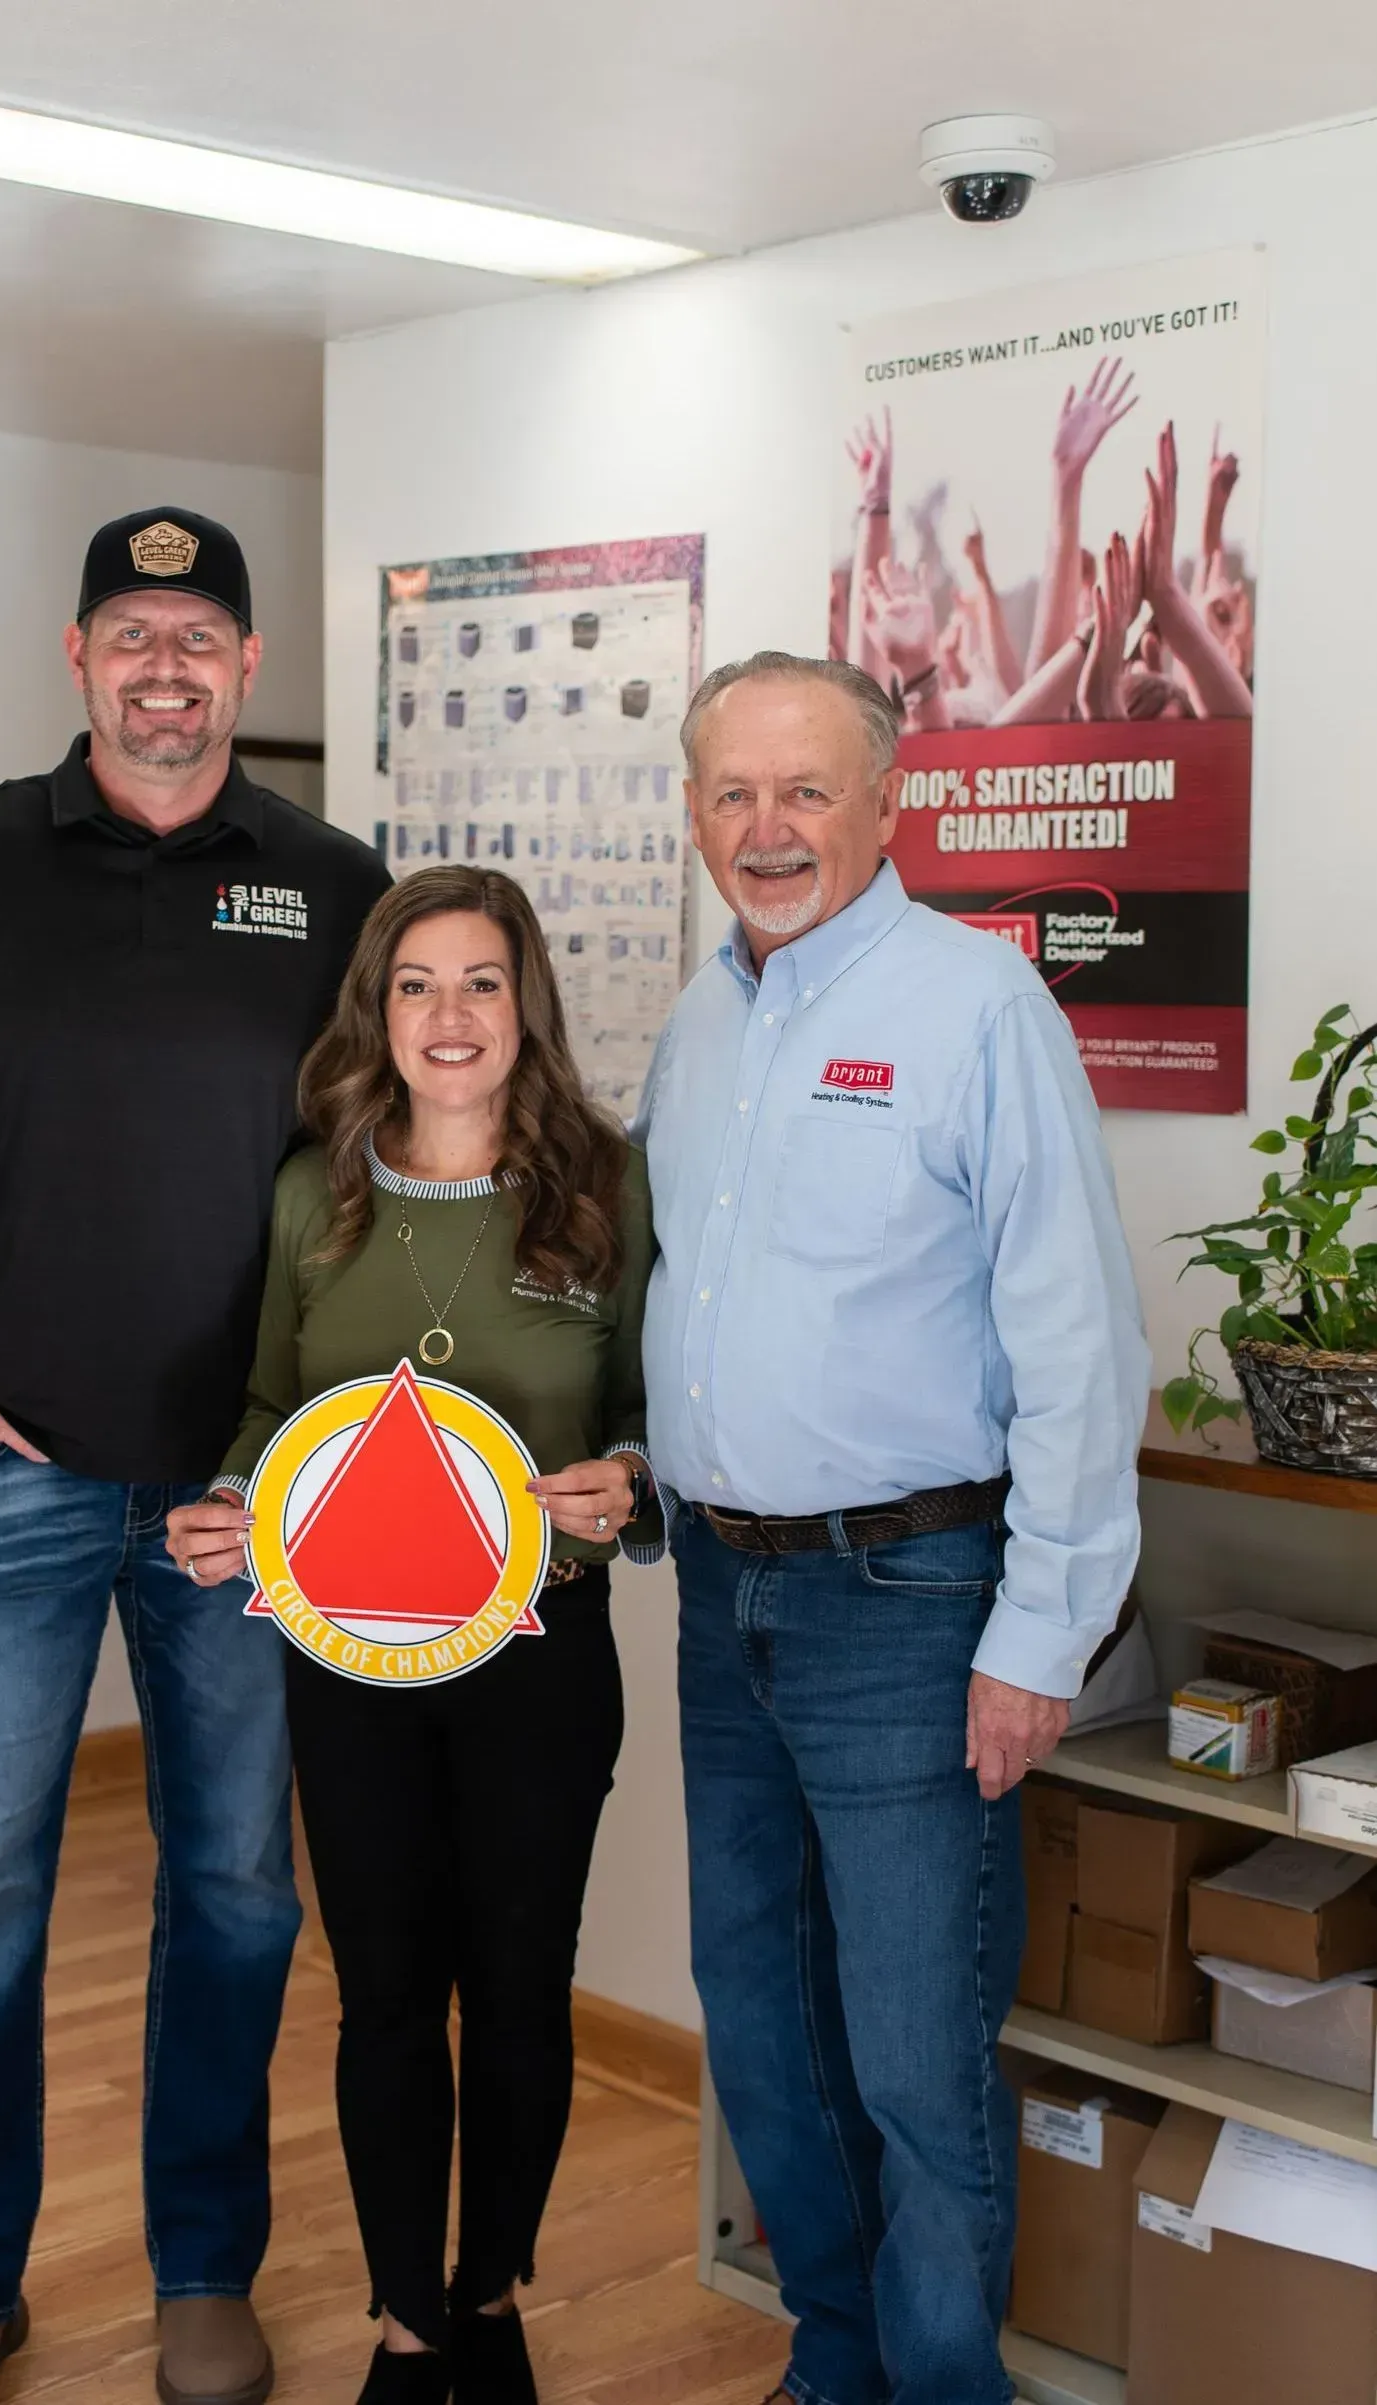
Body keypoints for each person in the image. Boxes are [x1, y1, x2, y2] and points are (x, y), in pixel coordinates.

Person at [0, 507, 390, 2405]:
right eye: (132, 631)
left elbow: (396, 1171)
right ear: (78, 658)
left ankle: (205, 2267)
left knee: (239, 1889)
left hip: (244, 1499)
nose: (166, 666)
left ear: (249, 665)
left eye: (199, 635)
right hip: (7, 1486)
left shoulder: (335, 885)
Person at [638, 653, 1148, 2405]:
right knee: (762, 2025)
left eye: (807, 791)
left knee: (920, 2064)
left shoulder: (977, 1008)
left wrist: (1039, 1638)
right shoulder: (703, 1021)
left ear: (886, 803)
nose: (768, 828)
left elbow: (1080, 1342)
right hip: (725, 1595)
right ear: (694, 812)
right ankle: (836, 2363)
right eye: (734, 793)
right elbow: (687, 1302)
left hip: (914, 1602)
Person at [166, 865, 660, 2405]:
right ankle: (406, 2322)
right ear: (376, 1011)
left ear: (527, 1006)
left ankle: (491, 2296)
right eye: (417, 985)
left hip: (543, 1663)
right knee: (384, 1996)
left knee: (516, 1992)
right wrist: (232, 1502)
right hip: (354, 1671)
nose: (451, 1015)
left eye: (482, 983)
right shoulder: (312, 1192)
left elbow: (651, 1416)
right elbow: (269, 1405)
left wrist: (629, 1483)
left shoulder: (607, 1187)